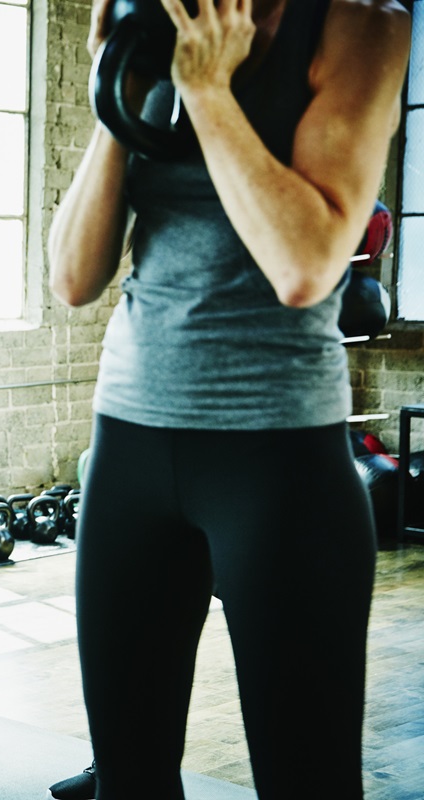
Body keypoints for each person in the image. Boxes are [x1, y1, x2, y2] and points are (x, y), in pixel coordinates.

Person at [45, 1, 410, 798]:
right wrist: (120, 89)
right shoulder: (157, 26)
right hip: (129, 445)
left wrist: (207, 90)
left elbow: (306, 265)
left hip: (276, 456)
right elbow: (74, 278)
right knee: (128, 779)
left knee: (306, 781)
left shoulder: (360, 26)